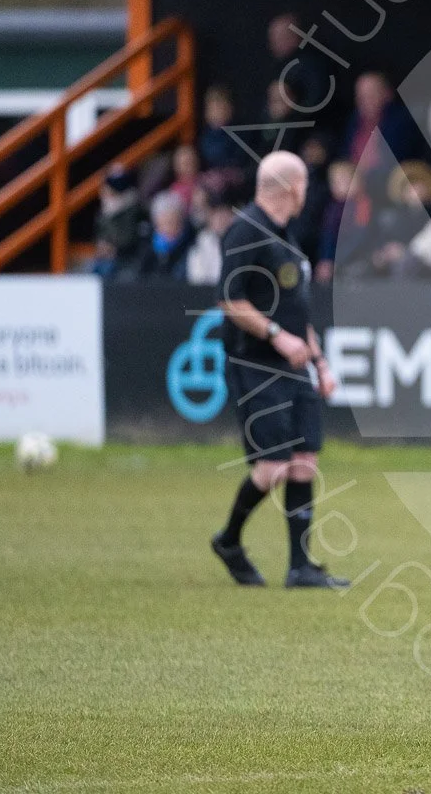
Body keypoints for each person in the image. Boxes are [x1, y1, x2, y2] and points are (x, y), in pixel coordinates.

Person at [209, 150, 349, 591]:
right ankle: (229, 540)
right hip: (255, 364)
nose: (307, 193)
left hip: (294, 365)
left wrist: (319, 360)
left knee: (305, 459)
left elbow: (294, 309)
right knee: (272, 468)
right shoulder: (245, 230)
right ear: (293, 188)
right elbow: (230, 301)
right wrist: (276, 336)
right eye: (305, 184)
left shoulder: (285, 235)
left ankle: (299, 567)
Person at [136, 190, 193, 279]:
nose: (168, 229)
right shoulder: (145, 246)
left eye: (173, 222)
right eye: (164, 224)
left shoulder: (191, 246)